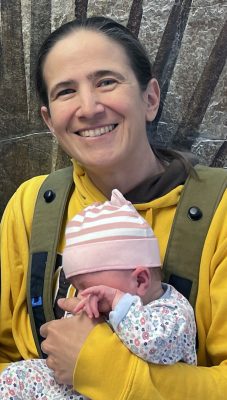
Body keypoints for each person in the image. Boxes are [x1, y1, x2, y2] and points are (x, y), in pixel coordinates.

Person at [0, 15, 227, 400]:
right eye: (65, 91)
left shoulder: (219, 212)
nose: (89, 107)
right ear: (50, 121)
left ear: (150, 98)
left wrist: (97, 366)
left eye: (106, 81)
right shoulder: (31, 205)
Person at [0, 189, 196, 399]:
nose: (83, 297)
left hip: (131, 390)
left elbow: (154, 346)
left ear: (140, 280)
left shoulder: (173, 313)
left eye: (89, 289)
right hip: (79, 386)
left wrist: (120, 305)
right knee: (16, 376)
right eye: (78, 288)